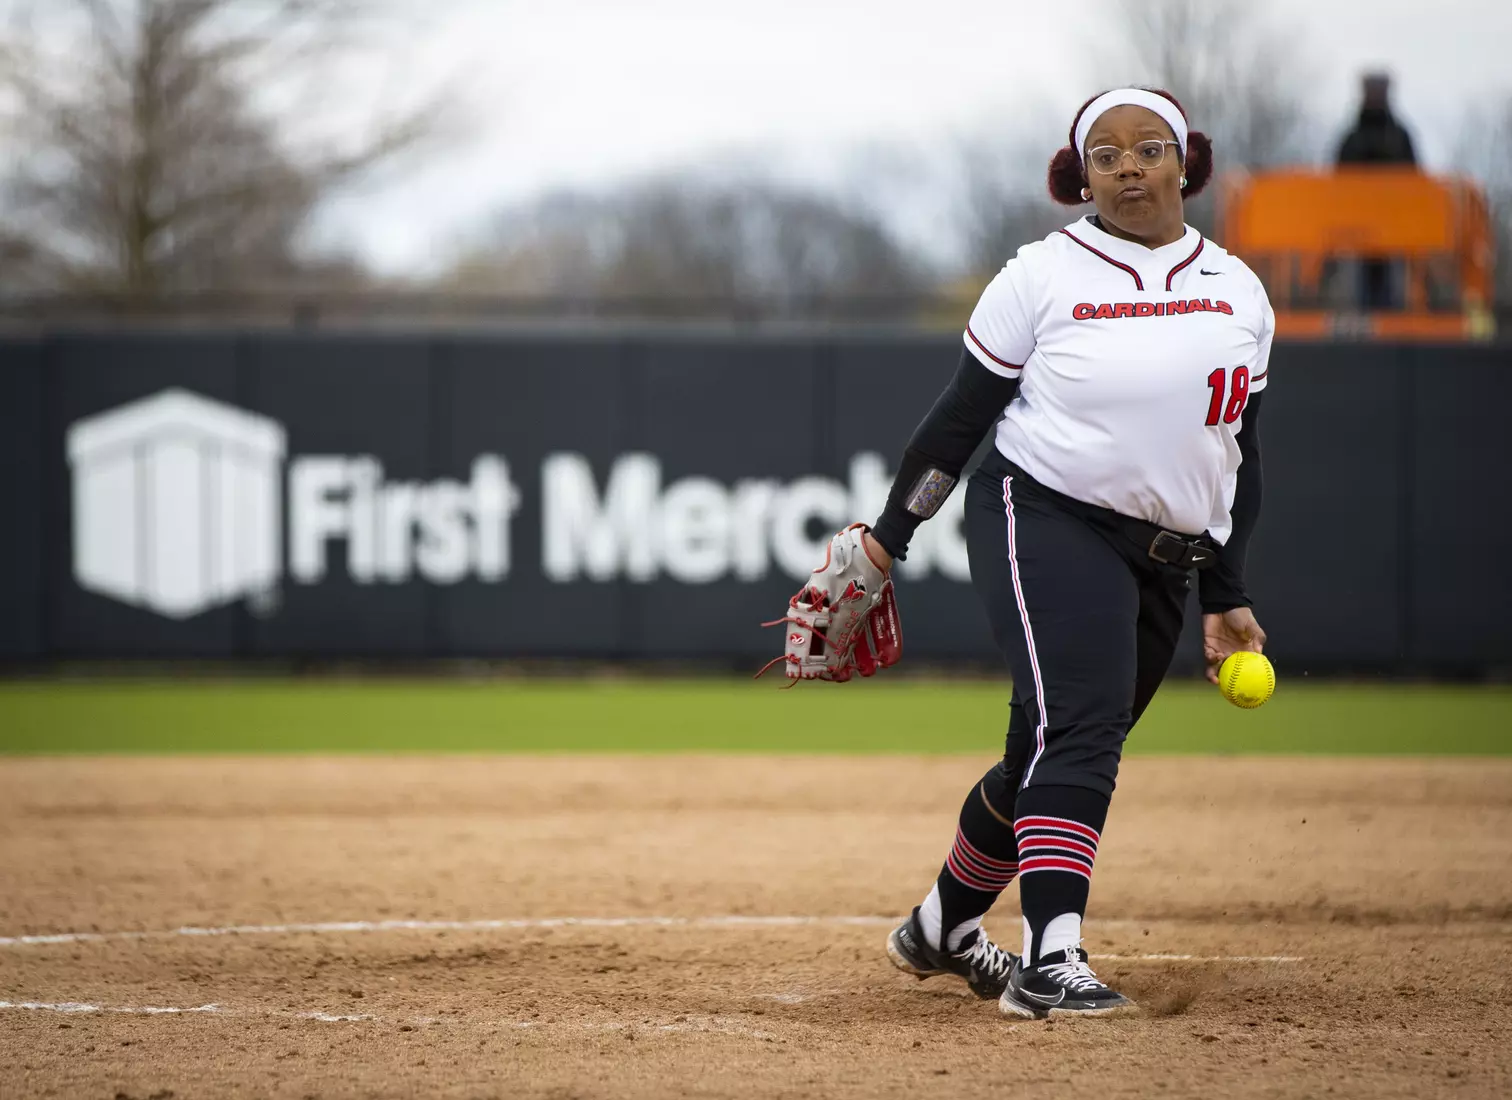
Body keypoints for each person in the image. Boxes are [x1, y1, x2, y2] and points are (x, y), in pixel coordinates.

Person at [768, 87, 1273, 1018]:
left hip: (1168, 551)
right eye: (1107, 153)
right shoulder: (1044, 275)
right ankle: (1051, 960)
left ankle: (942, 927)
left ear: (1185, 164)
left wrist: (1223, 589)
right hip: (1043, 511)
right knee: (1079, 728)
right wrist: (889, 541)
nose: (1129, 166)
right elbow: (957, 423)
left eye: (1149, 148)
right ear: (1081, 174)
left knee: (1046, 748)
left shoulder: (1238, 287)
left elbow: (1233, 448)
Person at [1336, 73, 1417, 310]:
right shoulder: (1352, 140)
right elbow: (1336, 188)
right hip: (1355, 232)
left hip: (1395, 231)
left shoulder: (1399, 138)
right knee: (1356, 290)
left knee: (1393, 290)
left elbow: (1415, 184)